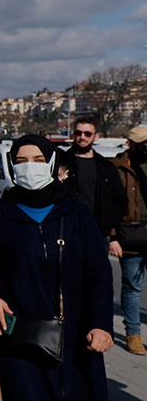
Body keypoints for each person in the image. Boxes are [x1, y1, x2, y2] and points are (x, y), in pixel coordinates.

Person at [0, 135, 113, 400]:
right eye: (21, 161)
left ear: (51, 164)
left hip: (77, 337)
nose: (30, 167)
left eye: (38, 160)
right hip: (20, 338)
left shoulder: (77, 214)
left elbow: (98, 274)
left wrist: (101, 325)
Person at [61, 117, 126, 248]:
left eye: (87, 134)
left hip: (99, 232)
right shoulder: (62, 163)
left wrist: (110, 228)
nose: (82, 137)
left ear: (96, 136)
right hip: (68, 231)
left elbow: (119, 200)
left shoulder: (106, 167)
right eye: (78, 133)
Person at [110, 125, 147, 355]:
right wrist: (113, 237)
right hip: (130, 235)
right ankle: (133, 334)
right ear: (129, 145)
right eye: (142, 144)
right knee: (132, 286)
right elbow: (111, 205)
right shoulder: (117, 168)